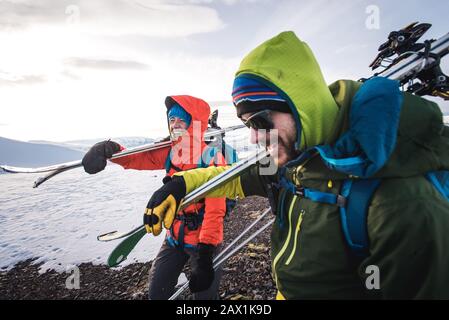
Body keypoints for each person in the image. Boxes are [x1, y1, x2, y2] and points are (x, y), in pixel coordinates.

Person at [143, 31, 449, 299]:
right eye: (247, 123)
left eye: (261, 120)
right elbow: (235, 176)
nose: (254, 136)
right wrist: (182, 185)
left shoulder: (401, 202)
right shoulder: (296, 158)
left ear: (302, 106)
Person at [82, 95, 230, 300]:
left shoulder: (212, 158)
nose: (175, 124)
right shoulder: (171, 151)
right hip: (175, 236)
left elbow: (215, 210)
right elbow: (140, 158)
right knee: (157, 293)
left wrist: (205, 255)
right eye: (171, 120)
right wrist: (111, 150)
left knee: (205, 297)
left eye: (181, 120)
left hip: (204, 240)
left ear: (193, 122)